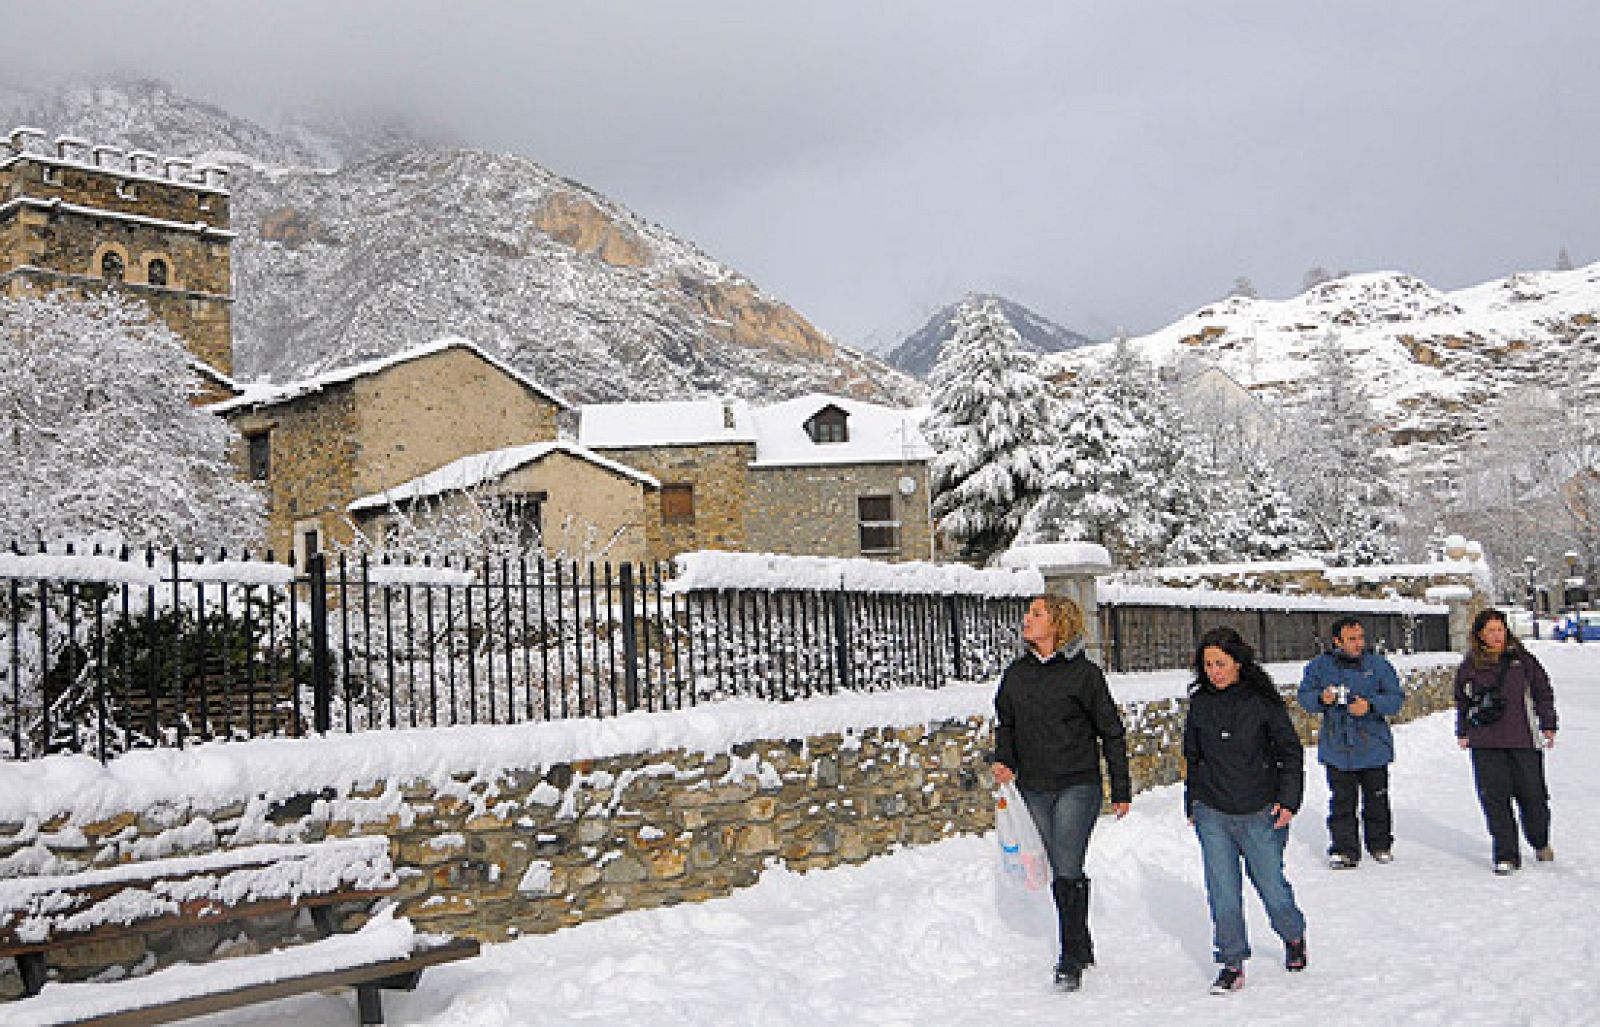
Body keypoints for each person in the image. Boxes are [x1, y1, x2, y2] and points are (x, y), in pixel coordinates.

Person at [992, 594, 1132, 993]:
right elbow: (1007, 725)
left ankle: (1070, 957)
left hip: (1078, 784)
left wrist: (1120, 788)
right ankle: (1081, 941)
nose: (1027, 619)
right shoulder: (1016, 674)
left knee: (1068, 865)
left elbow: (1111, 732)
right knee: (1057, 867)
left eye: (1037, 614)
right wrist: (1005, 760)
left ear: (1059, 624)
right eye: (1029, 613)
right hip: (1034, 786)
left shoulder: (1084, 675)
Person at [1184, 626, 1307, 995]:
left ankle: (1293, 935)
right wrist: (1193, 799)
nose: (1214, 672)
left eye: (1220, 664)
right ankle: (1231, 962)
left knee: (1271, 887)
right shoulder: (1201, 704)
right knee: (1222, 891)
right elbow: (1193, 755)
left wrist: (1288, 801)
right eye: (1207, 665)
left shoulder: (1262, 702)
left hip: (1260, 812)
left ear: (1238, 663)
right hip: (1213, 812)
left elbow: (1289, 753)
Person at [1455, 607, 1558, 875]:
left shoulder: (1522, 661)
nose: (1497, 635)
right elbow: (1463, 701)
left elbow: (1542, 691)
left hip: (1523, 738)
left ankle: (1539, 839)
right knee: (1495, 799)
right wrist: (1463, 731)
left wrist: (1548, 723)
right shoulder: (1471, 665)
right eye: (1490, 631)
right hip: (1486, 741)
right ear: (1479, 635)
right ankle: (1506, 853)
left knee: (1533, 796)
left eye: (1500, 629)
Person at [1297, 616, 1405, 868]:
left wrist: (1370, 706)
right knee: (1342, 802)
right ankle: (1344, 850)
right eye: (1352, 639)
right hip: (1337, 746)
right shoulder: (1319, 667)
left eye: (1360, 638)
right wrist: (1322, 699)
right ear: (1337, 641)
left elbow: (1396, 699)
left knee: (1377, 799)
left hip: (1373, 745)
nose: (1358, 644)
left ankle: (1380, 844)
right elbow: (1304, 697)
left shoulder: (1378, 665)